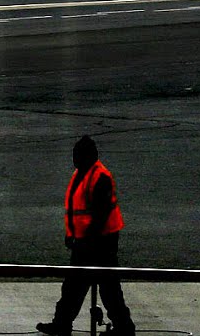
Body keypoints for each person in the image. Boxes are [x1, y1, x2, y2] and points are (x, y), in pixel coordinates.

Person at [37, 136, 134, 336]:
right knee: (78, 287)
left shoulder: (100, 177)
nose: (75, 160)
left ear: (88, 156)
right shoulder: (83, 174)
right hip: (86, 241)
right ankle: (64, 323)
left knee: (103, 288)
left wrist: (85, 241)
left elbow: (99, 216)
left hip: (101, 243)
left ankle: (123, 327)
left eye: (78, 156)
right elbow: (78, 210)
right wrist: (72, 235)